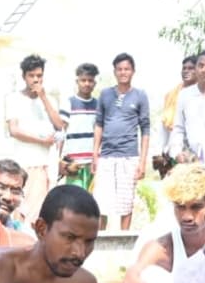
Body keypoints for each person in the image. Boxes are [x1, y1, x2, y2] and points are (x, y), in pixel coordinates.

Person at [93, 53, 151, 231]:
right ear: (114, 72)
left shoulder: (140, 95)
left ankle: (124, 239)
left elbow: (145, 129)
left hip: (129, 156)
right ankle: (100, 240)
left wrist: (142, 162)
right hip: (107, 156)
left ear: (133, 71)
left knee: (126, 202)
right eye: (119, 69)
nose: (123, 72)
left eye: (127, 69)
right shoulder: (105, 94)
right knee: (101, 202)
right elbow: (99, 124)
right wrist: (95, 153)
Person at [5, 54, 64, 223]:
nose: (35, 80)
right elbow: (14, 130)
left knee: (46, 211)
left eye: (39, 75)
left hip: (48, 164)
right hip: (28, 163)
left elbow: (60, 126)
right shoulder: (14, 99)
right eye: (32, 76)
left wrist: (44, 98)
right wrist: (41, 141)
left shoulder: (49, 99)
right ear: (24, 76)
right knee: (27, 211)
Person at [58, 63, 99, 191]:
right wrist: (59, 160)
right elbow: (61, 131)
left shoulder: (98, 105)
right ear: (77, 81)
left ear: (94, 83)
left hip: (92, 163)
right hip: (74, 164)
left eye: (90, 80)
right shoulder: (69, 103)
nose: (86, 84)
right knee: (75, 200)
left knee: (91, 202)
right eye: (83, 80)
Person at [160, 55, 197, 155]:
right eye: (184, 68)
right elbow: (165, 125)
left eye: (190, 68)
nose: (186, 71)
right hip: (175, 147)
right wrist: (163, 150)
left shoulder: (203, 93)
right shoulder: (171, 95)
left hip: (197, 148)